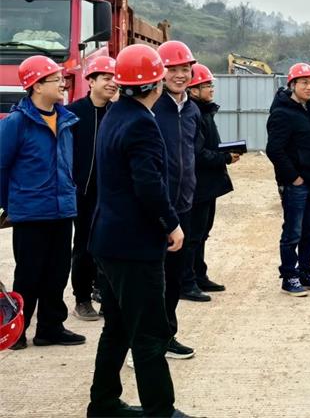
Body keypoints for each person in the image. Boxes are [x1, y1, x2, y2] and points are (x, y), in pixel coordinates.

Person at [86, 43, 190, 418]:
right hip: (133, 247)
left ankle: (103, 403)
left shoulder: (115, 114)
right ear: (156, 84)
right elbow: (148, 185)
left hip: (108, 241)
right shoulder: (142, 123)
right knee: (149, 334)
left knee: (116, 327)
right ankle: (160, 410)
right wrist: (171, 223)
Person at [0, 55, 84, 350]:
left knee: (57, 273)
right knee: (29, 274)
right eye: (56, 80)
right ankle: (18, 331)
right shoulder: (17, 123)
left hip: (62, 210)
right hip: (31, 213)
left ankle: (51, 328)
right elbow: (1, 166)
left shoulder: (66, 120)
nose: (63, 84)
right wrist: (8, 204)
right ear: (36, 86)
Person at [152, 40, 201, 359]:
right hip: (156, 207)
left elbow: (193, 152)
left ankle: (167, 335)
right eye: (173, 69)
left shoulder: (192, 109)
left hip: (183, 205)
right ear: (160, 72)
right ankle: (144, 343)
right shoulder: (153, 107)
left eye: (185, 69)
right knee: (152, 280)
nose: (180, 75)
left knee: (173, 278)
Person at [266, 62, 310, 296]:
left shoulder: (308, 109)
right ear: (292, 84)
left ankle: (304, 272)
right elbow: (274, 149)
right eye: (304, 82)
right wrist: (294, 177)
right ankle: (289, 277)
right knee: (292, 232)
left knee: (309, 230)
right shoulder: (282, 113)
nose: (309, 87)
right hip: (296, 185)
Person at [66, 55, 118, 321]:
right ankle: (82, 299)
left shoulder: (117, 113)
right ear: (91, 81)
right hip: (82, 193)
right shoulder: (73, 114)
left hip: (110, 194)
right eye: (106, 78)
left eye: (115, 78)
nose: (112, 83)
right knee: (84, 247)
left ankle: (106, 296)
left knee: (109, 246)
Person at [184, 63, 238, 296]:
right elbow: (197, 153)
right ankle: (187, 282)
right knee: (193, 234)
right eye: (207, 85)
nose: (211, 89)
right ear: (193, 89)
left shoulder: (203, 111)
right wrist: (224, 157)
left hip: (208, 184)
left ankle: (199, 275)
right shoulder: (193, 113)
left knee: (202, 232)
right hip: (198, 185)